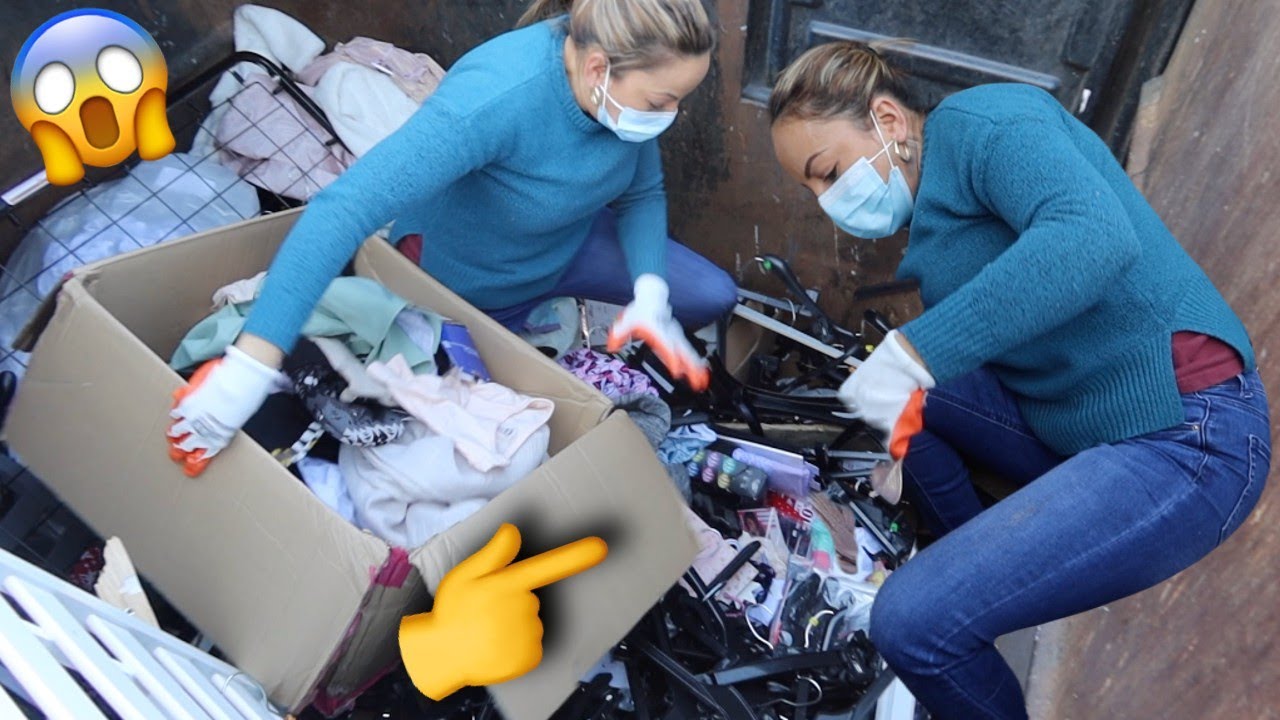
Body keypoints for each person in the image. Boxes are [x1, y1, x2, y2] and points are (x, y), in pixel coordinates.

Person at [769, 42, 1271, 719]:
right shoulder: (932, 218)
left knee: (909, 622)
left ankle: (943, 619)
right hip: (1087, 420)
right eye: (811, 189)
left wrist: (914, 352)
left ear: (888, 119)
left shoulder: (989, 122)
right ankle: (974, 589)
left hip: (1187, 431)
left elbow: (1094, 237)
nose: (827, 201)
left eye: (826, 172)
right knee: (909, 404)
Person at [168, 0, 738, 476]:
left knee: (712, 294)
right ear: (596, 69)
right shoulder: (498, 97)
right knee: (499, 452)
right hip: (470, 282)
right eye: (662, 102)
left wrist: (648, 293)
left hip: (565, 241)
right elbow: (339, 212)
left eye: (680, 99)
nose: (673, 115)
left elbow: (642, 193)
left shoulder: (625, 87)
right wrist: (249, 367)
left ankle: (570, 307)